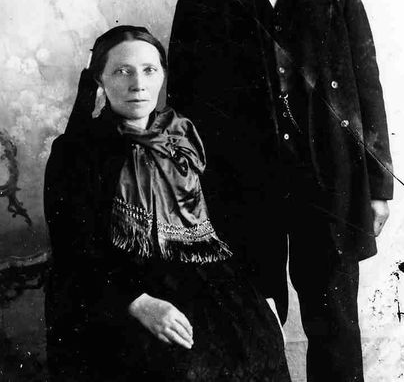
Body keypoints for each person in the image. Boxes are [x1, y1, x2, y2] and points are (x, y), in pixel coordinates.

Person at [167, 0, 394, 382]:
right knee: (250, 327)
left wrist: (379, 187)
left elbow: (368, 90)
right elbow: (183, 111)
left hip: (329, 186)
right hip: (240, 194)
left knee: (336, 326)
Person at [44, 25, 290, 382]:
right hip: (115, 287)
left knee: (259, 348)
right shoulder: (77, 151)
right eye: (122, 71)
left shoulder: (185, 137)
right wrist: (139, 302)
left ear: (162, 75)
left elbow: (230, 226)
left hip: (206, 277)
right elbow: (74, 248)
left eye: (149, 70)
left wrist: (261, 300)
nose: (138, 84)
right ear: (100, 80)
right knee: (178, 367)